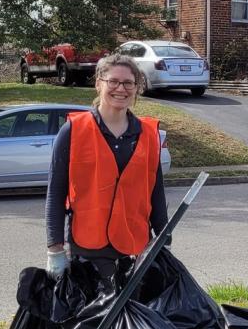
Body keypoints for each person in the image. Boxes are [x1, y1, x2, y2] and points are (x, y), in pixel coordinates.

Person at [46, 54, 168, 284]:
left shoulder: (148, 134)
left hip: (135, 248)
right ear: (98, 83)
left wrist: (163, 240)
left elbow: (156, 191)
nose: (120, 88)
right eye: (113, 81)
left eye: (128, 83)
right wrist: (55, 249)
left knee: (132, 318)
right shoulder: (73, 130)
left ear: (136, 88)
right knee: (94, 319)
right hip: (88, 249)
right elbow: (55, 193)